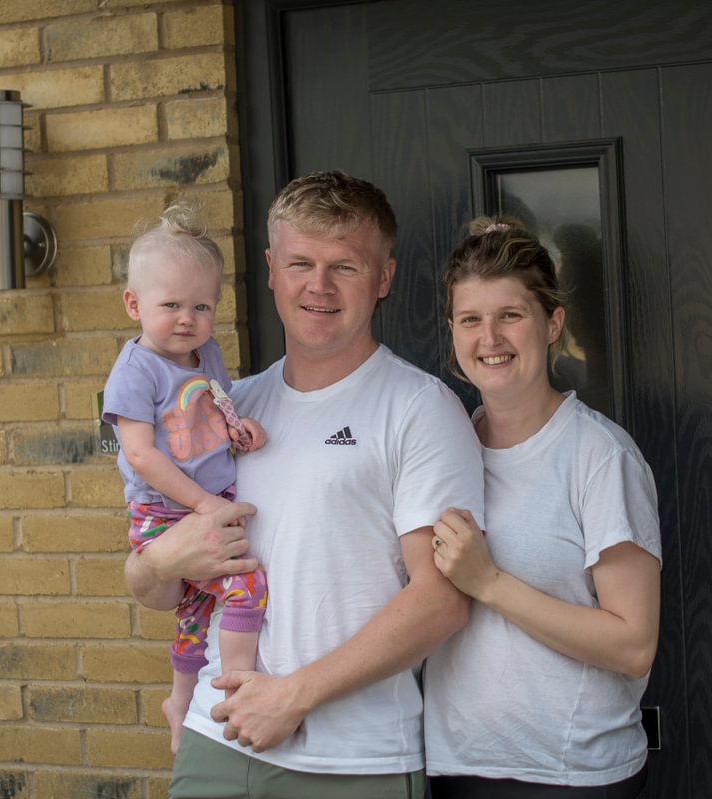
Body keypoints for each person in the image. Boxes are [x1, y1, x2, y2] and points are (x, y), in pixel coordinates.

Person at [124, 171, 485, 798]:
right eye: (299, 263)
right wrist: (161, 559)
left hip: (353, 760)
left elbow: (443, 599)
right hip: (219, 736)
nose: (318, 286)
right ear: (270, 269)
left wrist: (294, 696)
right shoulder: (228, 405)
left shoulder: (420, 409)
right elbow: (156, 589)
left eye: (344, 266)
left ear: (384, 278)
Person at [424, 217, 662, 798]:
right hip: (455, 768)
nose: (491, 339)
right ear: (452, 331)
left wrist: (489, 583)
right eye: (472, 320)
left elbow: (633, 646)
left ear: (552, 323)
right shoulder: (439, 446)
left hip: (570, 775)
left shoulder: (599, 457)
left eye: (511, 316)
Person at [102, 204, 269, 755]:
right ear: (133, 304)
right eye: (170, 305)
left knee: (196, 613)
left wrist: (240, 429)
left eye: (201, 305)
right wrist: (203, 505)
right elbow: (142, 455)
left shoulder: (207, 353)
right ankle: (238, 684)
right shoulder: (135, 370)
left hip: (206, 500)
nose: (186, 318)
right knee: (247, 585)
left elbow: (216, 405)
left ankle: (180, 699)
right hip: (165, 509)